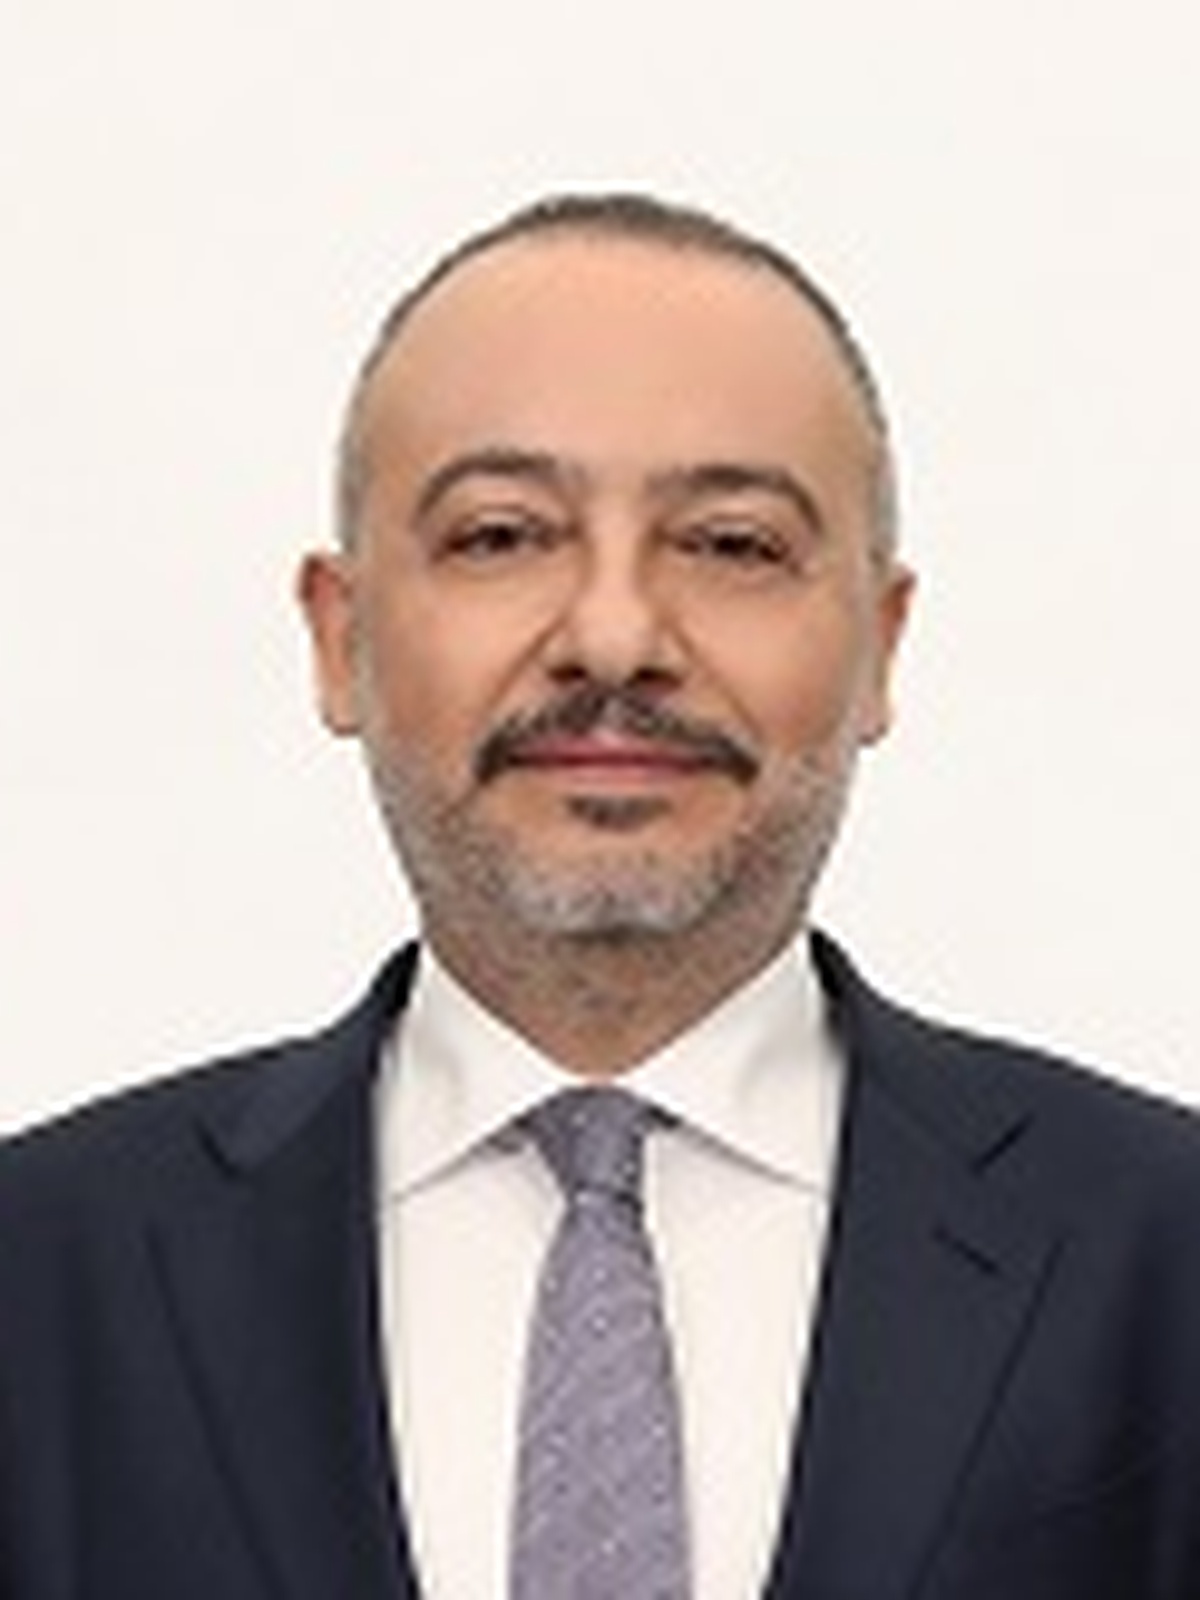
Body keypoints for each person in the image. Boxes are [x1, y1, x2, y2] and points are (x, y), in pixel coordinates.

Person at [2, 193, 1200, 1600]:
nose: (617, 637)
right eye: (502, 535)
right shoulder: (39, 1274)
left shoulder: (1164, 1254)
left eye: (733, 544)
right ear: (341, 637)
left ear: (880, 645)